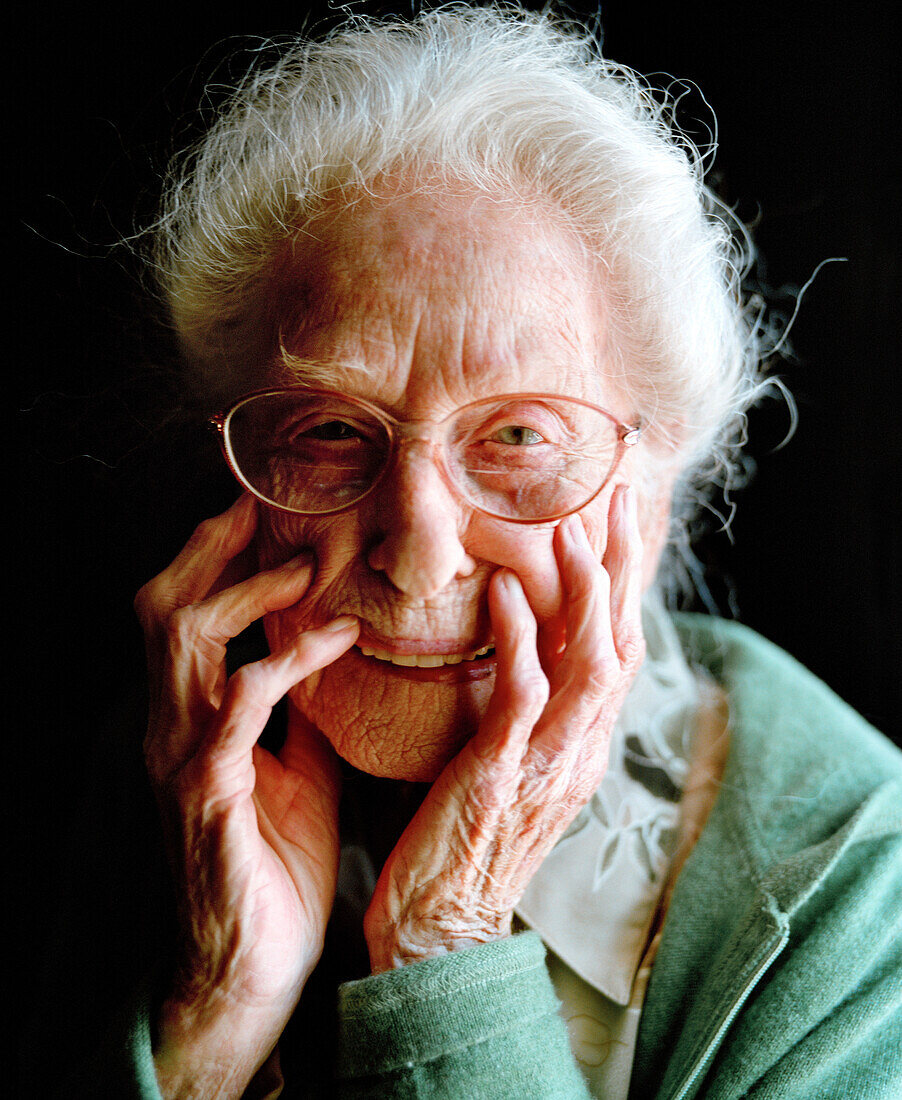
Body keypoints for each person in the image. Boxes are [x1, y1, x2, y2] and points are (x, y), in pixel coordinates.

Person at [51, 5, 901, 1098]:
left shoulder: (855, 887)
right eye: (330, 430)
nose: (417, 556)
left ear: (653, 481)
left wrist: (443, 945)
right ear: (240, 473)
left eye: (514, 437)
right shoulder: (181, 763)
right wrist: (213, 1011)